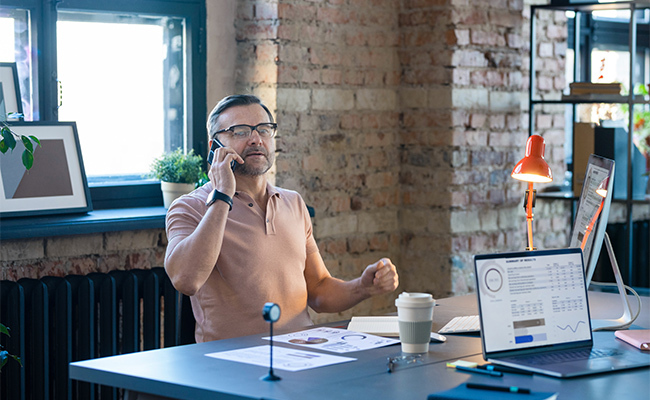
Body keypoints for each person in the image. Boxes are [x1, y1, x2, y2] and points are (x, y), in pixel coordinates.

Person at [165, 94, 399, 342]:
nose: (256, 139)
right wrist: (222, 194)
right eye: (240, 132)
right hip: (232, 364)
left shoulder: (293, 202)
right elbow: (186, 280)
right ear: (215, 148)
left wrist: (362, 286)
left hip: (304, 356)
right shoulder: (190, 207)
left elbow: (318, 289)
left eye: (264, 130)